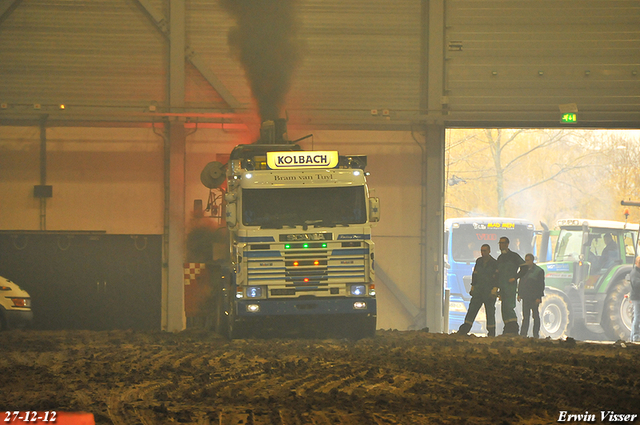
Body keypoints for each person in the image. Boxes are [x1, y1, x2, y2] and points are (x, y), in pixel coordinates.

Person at [457, 244, 499, 337]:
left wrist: (495, 288)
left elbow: (497, 278)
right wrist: (473, 286)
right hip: (478, 291)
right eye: (482, 250)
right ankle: (464, 330)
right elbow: (475, 274)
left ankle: (491, 333)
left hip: (489, 292)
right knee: (472, 310)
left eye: (485, 250)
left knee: (490, 312)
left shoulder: (494, 263)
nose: (483, 252)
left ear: (489, 251)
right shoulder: (479, 261)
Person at [496, 236, 525, 335]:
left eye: (503, 243)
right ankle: (507, 329)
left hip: (510, 286)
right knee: (504, 308)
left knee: (509, 307)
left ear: (507, 244)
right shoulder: (500, 258)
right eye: (500, 243)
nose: (501, 245)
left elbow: (524, 267)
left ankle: (513, 328)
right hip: (502, 287)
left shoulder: (514, 256)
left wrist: (515, 277)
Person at [517, 253, 545, 338]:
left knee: (535, 316)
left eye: (528, 260)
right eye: (525, 260)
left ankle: (536, 334)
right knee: (525, 316)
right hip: (526, 296)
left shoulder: (538, 271)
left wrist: (538, 297)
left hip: (534, 297)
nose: (526, 262)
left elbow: (541, 285)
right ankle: (523, 334)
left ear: (532, 260)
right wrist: (519, 294)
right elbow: (521, 282)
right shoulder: (524, 270)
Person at [630, 256, 640, 342]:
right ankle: (635, 336)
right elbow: (636, 284)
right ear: (636, 263)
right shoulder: (634, 273)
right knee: (637, 317)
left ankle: (634, 336)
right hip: (637, 298)